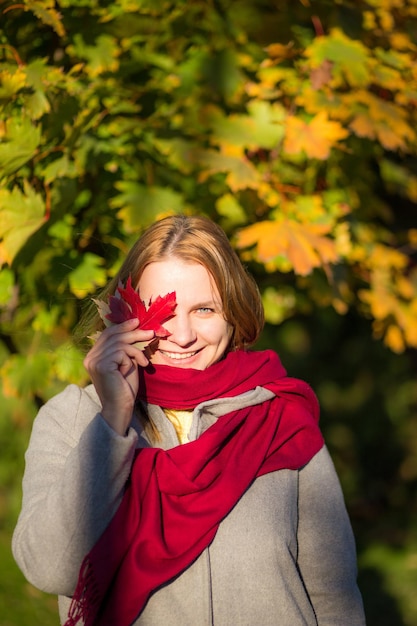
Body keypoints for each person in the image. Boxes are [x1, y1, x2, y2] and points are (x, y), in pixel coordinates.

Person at [12, 214, 366, 626]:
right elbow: (50, 568)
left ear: (232, 312)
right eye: (161, 312)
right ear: (124, 314)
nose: (182, 335)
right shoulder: (73, 419)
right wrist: (112, 421)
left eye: (204, 309)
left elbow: (333, 592)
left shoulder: (280, 418)